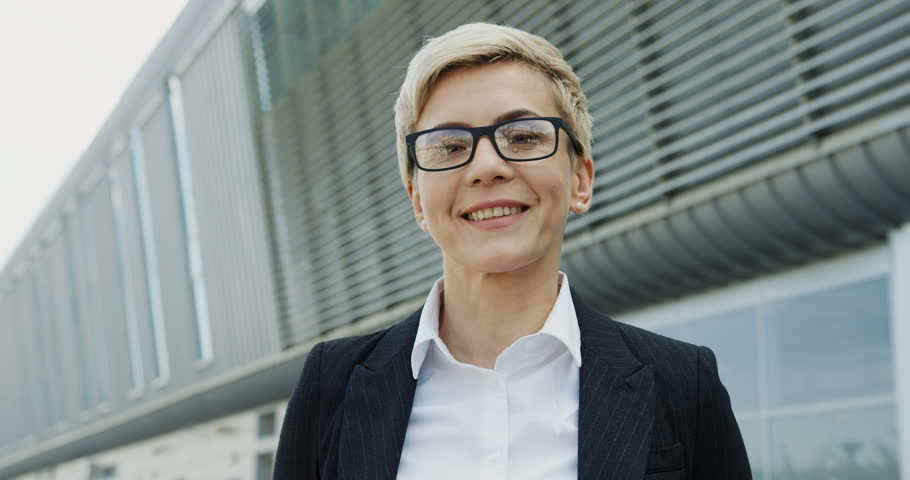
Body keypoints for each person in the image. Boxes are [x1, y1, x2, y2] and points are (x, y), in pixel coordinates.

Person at [273, 22, 751, 480]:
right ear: (418, 200)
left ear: (580, 181)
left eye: (523, 137)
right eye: (449, 145)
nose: (487, 166)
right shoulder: (330, 384)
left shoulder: (683, 384)